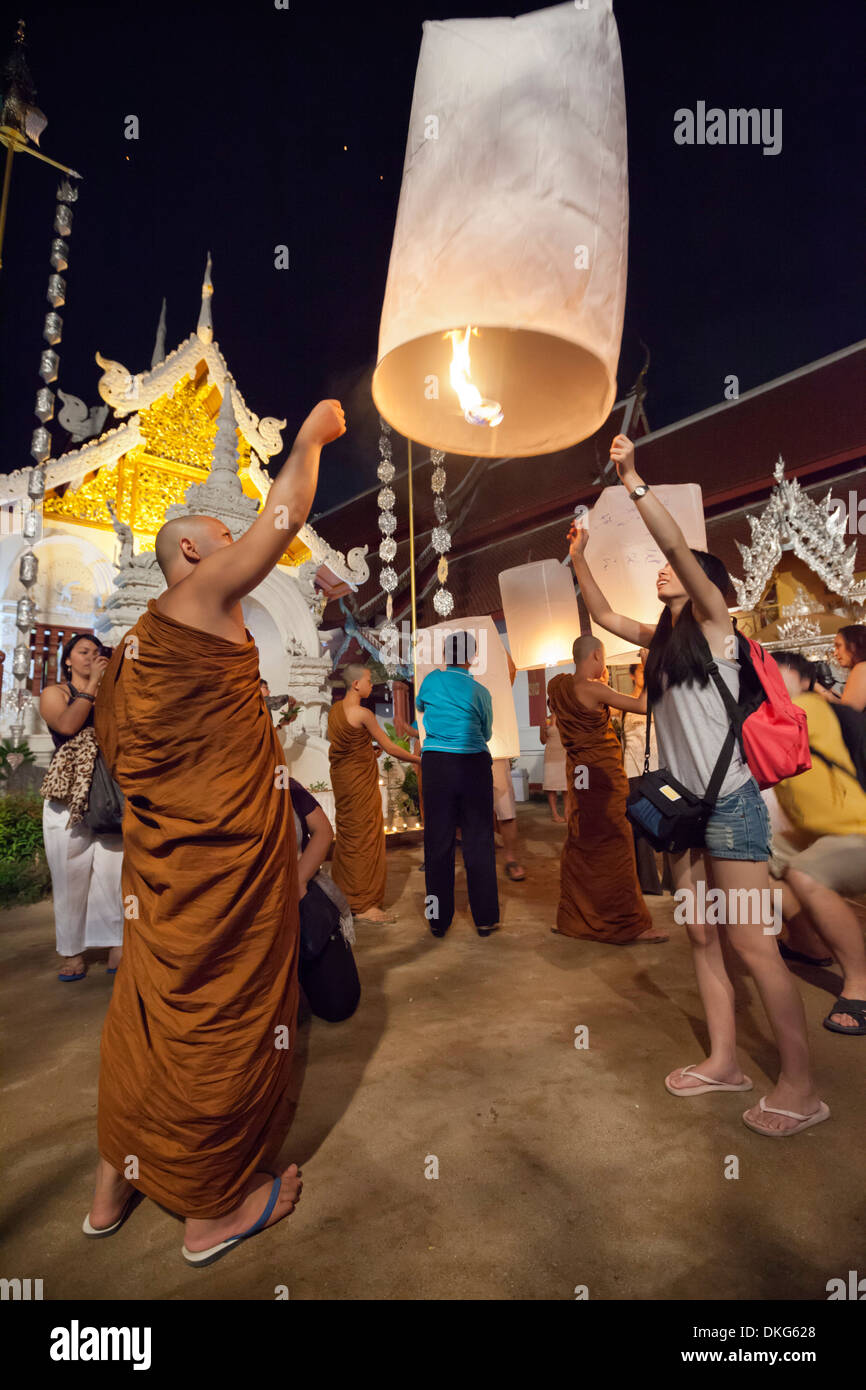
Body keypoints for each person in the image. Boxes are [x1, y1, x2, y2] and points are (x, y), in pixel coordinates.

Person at [87, 398, 346, 1265]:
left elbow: (134, 757)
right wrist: (308, 437)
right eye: (216, 536)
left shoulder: (135, 648)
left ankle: (110, 1189)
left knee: (146, 1016)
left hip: (166, 880)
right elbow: (283, 516)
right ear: (194, 552)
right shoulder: (200, 593)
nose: (233, 553)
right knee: (218, 1022)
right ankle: (210, 1213)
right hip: (224, 880)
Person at [569, 432, 828, 1137]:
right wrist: (578, 560)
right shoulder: (663, 645)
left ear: (700, 579)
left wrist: (632, 480)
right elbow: (600, 615)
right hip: (679, 809)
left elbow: (680, 549)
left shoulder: (717, 627)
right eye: (659, 568)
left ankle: (802, 1086)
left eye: (671, 568)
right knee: (702, 939)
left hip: (732, 806)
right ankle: (725, 1061)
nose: (661, 572)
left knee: (751, 945)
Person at [768, 651, 866, 1036]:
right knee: (752, 857)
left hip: (855, 830)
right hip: (816, 834)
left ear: (805, 681)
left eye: (779, 675)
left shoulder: (807, 707)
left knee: (806, 876)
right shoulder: (777, 714)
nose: (769, 682)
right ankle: (808, 944)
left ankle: (859, 986)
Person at [547, 635, 667, 944]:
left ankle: (574, 918)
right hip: (602, 778)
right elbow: (642, 705)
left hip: (579, 776)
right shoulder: (593, 687)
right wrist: (649, 664)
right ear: (598, 656)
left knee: (580, 843)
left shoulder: (559, 687)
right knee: (615, 847)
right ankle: (629, 925)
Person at [39, 633, 124, 981]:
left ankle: (116, 943)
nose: (91, 657)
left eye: (97, 652)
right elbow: (68, 725)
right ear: (68, 660)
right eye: (83, 652)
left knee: (112, 875)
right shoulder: (54, 694)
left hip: (110, 793)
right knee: (70, 876)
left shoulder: (111, 696)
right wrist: (91, 685)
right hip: (67, 795)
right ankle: (72, 952)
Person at [415, 630, 500, 937]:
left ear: (445, 656)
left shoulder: (430, 682)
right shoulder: (481, 693)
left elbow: (421, 706)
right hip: (474, 764)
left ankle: (438, 920)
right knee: (479, 840)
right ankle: (485, 919)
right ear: (471, 658)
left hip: (437, 764)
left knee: (438, 840)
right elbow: (487, 733)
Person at [327, 664, 419, 924]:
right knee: (365, 838)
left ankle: (344, 896)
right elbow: (391, 747)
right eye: (368, 680)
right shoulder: (363, 713)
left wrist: (368, 752)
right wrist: (420, 760)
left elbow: (347, 748)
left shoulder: (335, 711)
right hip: (359, 786)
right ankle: (364, 903)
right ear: (356, 684)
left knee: (348, 837)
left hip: (345, 782)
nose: (371, 685)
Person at [290, 777, 361, 1023]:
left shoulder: (284, 785)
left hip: (301, 892)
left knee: (338, 1005)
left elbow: (323, 830)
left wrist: (298, 881)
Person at [620, 651, 663, 895]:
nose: (645, 674)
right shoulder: (625, 704)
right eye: (641, 670)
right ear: (633, 675)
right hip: (633, 771)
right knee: (639, 825)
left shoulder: (661, 701)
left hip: (659, 769)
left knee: (668, 821)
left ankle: (673, 879)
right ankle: (648, 882)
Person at [492, 650, 525, 881]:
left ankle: (511, 858)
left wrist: (495, 642)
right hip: (468, 753)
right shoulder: (460, 684)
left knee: (506, 809)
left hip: (496, 754)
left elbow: (511, 670)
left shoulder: (497, 689)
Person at [816, 625, 866, 711]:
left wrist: (817, 688)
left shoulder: (862, 668)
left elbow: (849, 715)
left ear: (853, 646)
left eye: (838, 646)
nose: (835, 653)